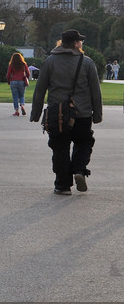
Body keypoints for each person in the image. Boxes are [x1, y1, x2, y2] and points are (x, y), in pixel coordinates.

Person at [30, 29, 102, 195]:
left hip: (58, 113)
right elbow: (95, 92)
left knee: (60, 148)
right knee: (84, 143)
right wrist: (97, 114)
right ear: (76, 43)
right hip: (82, 112)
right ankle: (79, 169)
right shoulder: (87, 62)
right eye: (80, 41)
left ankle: (62, 185)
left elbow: (40, 90)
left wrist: (36, 113)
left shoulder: (50, 61)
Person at [6, 53, 30, 117]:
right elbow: (28, 73)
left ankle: (16, 111)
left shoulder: (12, 65)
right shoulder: (23, 64)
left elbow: (8, 74)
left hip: (13, 81)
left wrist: (9, 81)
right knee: (22, 96)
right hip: (21, 81)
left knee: (15, 97)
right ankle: (22, 105)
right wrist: (26, 78)